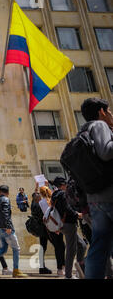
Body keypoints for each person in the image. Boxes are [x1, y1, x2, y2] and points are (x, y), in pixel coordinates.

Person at [78, 98, 113, 279]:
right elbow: (107, 152)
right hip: (109, 195)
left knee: (98, 247)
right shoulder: (99, 126)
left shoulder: (83, 131)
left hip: (94, 199)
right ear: (101, 112)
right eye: (109, 111)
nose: (111, 115)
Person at [0, 185, 27, 278]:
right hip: (6, 228)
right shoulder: (6, 200)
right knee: (16, 249)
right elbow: (6, 213)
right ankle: (16, 270)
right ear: (8, 192)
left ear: (0, 191)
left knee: (3, 248)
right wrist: (8, 226)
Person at [51, 176, 87, 279]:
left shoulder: (54, 194)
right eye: (65, 184)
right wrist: (77, 214)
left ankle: (79, 271)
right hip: (68, 224)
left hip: (63, 224)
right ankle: (68, 275)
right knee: (71, 250)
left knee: (82, 245)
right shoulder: (62, 194)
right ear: (62, 185)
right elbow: (66, 208)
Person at [38, 185, 66, 276]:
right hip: (58, 224)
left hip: (50, 226)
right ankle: (62, 266)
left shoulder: (41, 202)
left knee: (58, 246)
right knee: (61, 246)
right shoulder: (53, 199)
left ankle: (60, 268)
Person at [30, 191, 52, 274]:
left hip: (40, 229)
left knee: (43, 248)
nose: (41, 197)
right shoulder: (39, 205)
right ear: (37, 198)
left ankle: (41, 267)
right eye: (39, 196)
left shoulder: (33, 204)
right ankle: (43, 267)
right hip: (44, 229)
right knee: (58, 246)